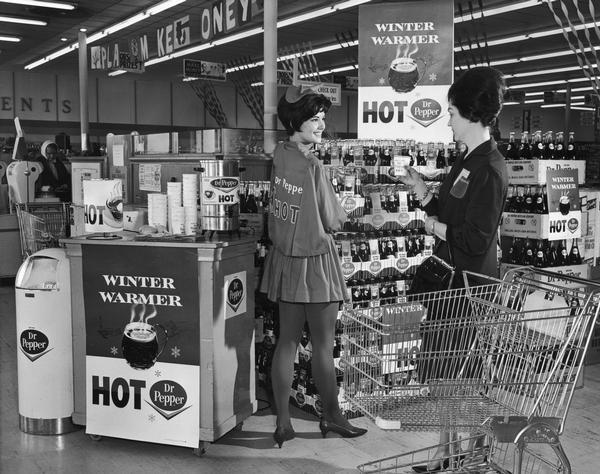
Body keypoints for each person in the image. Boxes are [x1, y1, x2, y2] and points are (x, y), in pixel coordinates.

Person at [398, 67, 508, 472]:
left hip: (471, 289)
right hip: (450, 284)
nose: (447, 119)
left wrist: (433, 225)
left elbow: (477, 239)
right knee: (445, 376)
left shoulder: (491, 169)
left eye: (452, 113)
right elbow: (450, 212)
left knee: (463, 378)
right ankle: (447, 455)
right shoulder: (467, 160)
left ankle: (476, 454)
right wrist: (424, 194)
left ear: (472, 115)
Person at [260, 85, 367, 448]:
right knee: (323, 345)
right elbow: (333, 220)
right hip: (317, 264)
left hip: (286, 263)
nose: (321, 125)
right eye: (313, 119)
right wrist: (350, 210)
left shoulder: (279, 157)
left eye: (323, 118)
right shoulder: (312, 165)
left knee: (286, 343)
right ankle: (333, 417)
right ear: (296, 121)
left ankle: (284, 423)